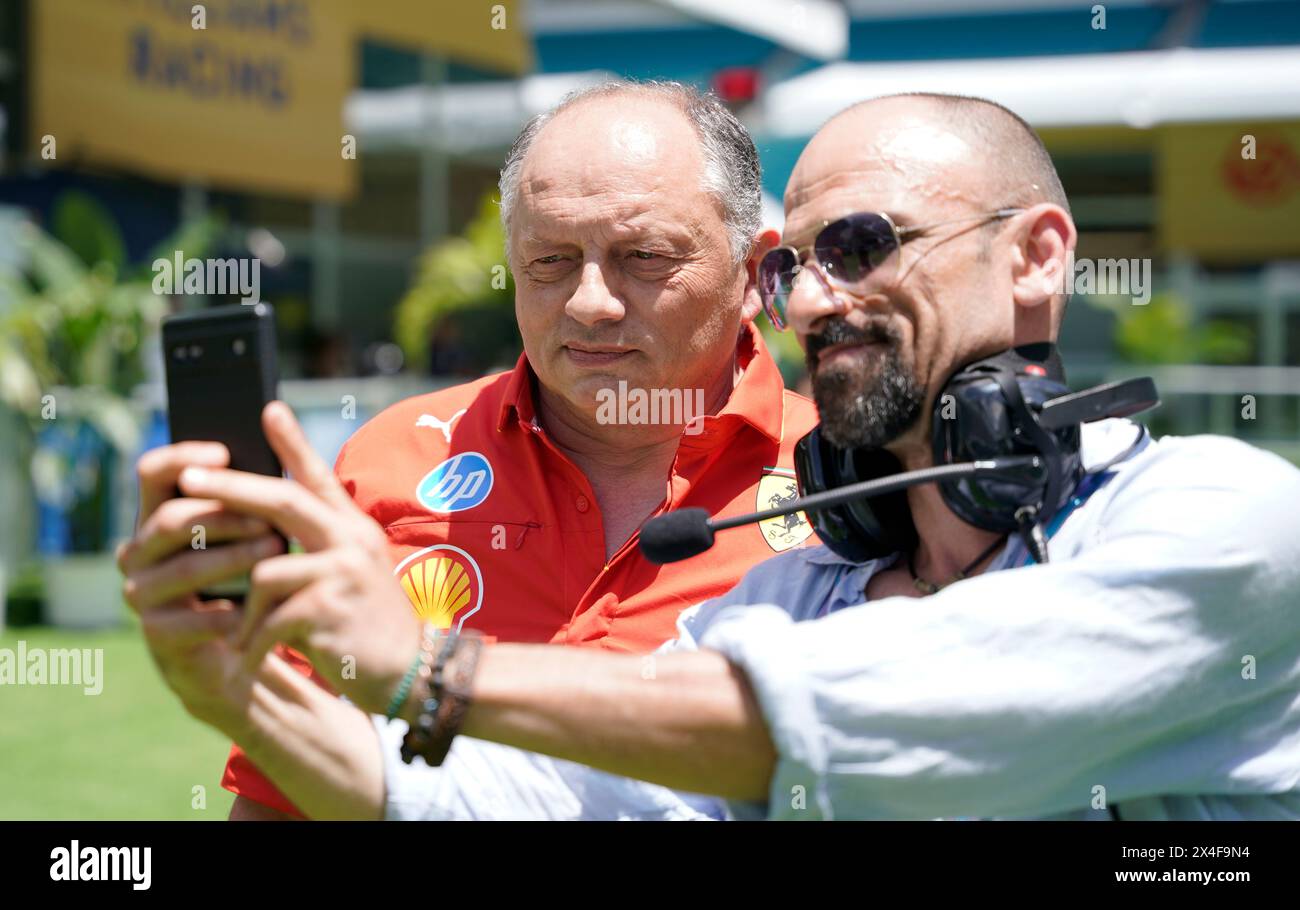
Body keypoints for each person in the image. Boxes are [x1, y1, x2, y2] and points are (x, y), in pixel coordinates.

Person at [133, 91, 1300, 821]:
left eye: (861, 245)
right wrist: (239, 686)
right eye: (798, 265)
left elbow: (833, 723)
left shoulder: (1227, 516)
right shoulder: (798, 586)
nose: (820, 297)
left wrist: (428, 669)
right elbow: (549, 801)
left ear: (1039, 256)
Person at [116, 81, 819, 820]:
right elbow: (277, 803)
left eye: (643, 256)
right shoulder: (393, 460)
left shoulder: (853, 487)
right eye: (549, 260)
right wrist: (232, 682)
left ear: (752, 274)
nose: (589, 301)